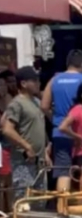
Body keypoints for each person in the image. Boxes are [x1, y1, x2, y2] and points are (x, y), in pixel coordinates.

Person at [42, 50, 82, 177]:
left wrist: (55, 120)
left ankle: (63, 197)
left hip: (60, 132)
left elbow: (44, 106)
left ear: (68, 63)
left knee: (63, 171)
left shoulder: (54, 80)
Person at [3, 66, 50, 199]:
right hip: (24, 162)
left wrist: (45, 151)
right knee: (24, 202)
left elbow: (38, 127)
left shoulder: (36, 102)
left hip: (39, 162)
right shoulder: (17, 103)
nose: (38, 83)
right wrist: (27, 146)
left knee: (39, 203)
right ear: (23, 83)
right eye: (34, 80)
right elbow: (7, 129)